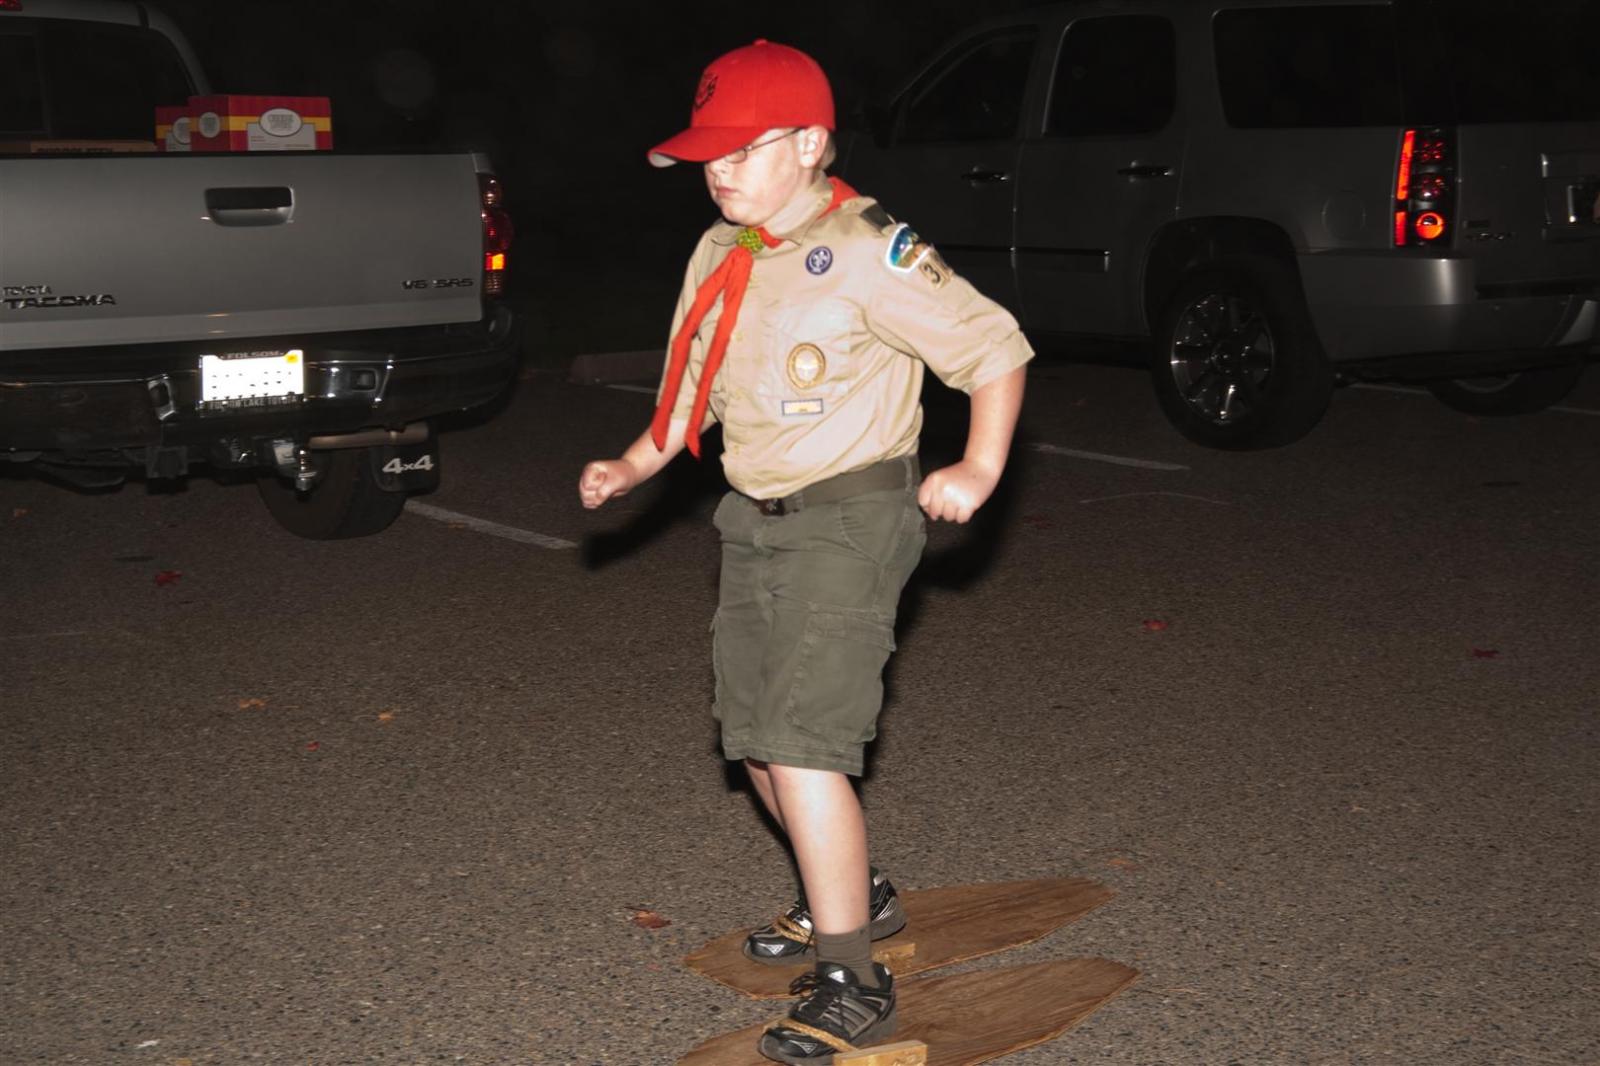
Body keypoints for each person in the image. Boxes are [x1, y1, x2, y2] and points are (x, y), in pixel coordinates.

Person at [577, 39, 1033, 1063]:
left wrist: (979, 466)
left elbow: (994, 348)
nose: (720, 170)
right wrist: (633, 463)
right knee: (751, 739)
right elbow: (693, 385)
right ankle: (857, 895)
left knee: (803, 744)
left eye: (743, 149)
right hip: (753, 518)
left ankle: (853, 978)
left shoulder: (869, 247)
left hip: (853, 517)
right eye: (709, 153)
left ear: (811, 144)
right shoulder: (719, 251)